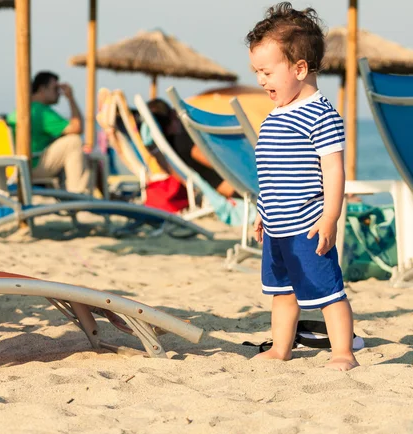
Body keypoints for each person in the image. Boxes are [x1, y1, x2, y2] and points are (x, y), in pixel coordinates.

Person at [246, 2, 358, 370]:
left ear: (299, 68)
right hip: (278, 226)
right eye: (256, 72)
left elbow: (333, 171)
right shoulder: (276, 115)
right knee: (282, 292)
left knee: (328, 291)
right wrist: (264, 212)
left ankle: (343, 351)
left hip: (309, 226)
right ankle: (282, 347)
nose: (261, 80)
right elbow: (272, 172)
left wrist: (330, 217)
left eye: (266, 71)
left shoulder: (320, 114)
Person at [6, 71, 90, 193]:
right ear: (42, 89)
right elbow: (77, 127)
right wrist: (71, 97)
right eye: (56, 88)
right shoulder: (40, 111)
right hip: (31, 165)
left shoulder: (21, 110)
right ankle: (77, 193)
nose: (59, 93)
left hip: (14, 165)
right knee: (74, 141)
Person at [144, 99, 237, 199]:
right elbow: (214, 162)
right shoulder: (183, 140)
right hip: (233, 186)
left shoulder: (169, 147)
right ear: (173, 114)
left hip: (221, 187)